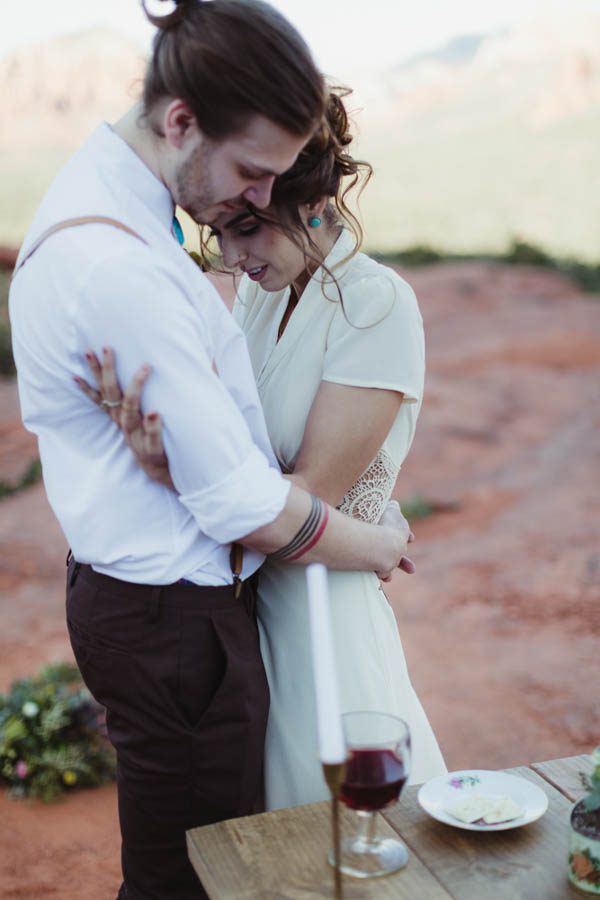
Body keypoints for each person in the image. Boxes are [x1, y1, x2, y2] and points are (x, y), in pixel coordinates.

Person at [8, 3, 413, 899]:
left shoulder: (112, 214)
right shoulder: (124, 267)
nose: (263, 199)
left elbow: (225, 472)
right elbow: (239, 503)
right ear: (182, 120)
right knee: (188, 880)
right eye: (253, 171)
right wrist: (381, 543)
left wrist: (176, 462)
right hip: (174, 624)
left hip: (162, 611)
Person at [80, 88, 447, 814]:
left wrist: (182, 467)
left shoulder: (377, 305)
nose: (235, 256)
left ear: (312, 201)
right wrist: (164, 450)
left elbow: (302, 498)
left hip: (321, 617)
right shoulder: (262, 293)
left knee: (336, 836)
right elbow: (231, 455)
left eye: (248, 228)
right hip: (243, 611)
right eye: (221, 231)